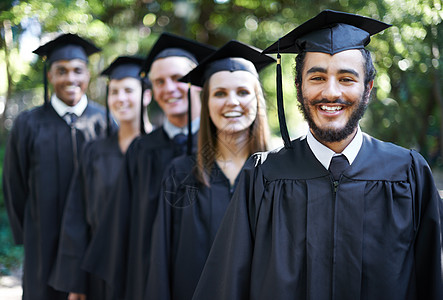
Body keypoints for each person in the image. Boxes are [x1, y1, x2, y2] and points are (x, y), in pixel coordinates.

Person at [193, 10, 443, 300]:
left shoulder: (407, 174)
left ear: (368, 89)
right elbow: (226, 286)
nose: (331, 92)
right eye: (318, 77)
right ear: (299, 87)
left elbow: (431, 282)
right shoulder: (263, 177)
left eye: (347, 78)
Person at [81, 32, 216, 300]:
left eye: (178, 79)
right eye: (159, 82)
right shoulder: (141, 151)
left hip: (209, 282)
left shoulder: (222, 149)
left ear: (198, 83)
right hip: (145, 283)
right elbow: (119, 226)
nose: (168, 88)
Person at [145, 40, 274, 300]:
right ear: (206, 103)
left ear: (257, 100)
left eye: (243, 92)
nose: (232, 102)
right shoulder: (181, 174)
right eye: (220, 93)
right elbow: (161, 259)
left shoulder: (279, 175)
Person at [2, 33, 110, 300]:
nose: (70, 79)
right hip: (43, 241)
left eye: (77, 71)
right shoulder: (28, 123)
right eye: (61, 71)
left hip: (93, 245)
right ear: (49, 76)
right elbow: (14, 185)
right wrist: (31, 232)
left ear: (88, 75)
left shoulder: (105, 122)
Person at [47, 56, 152, 300]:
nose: (120, 98)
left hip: (147, 268)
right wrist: (76, 282)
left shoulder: (163, 151)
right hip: (98, 269)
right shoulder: (95, 152)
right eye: (114, 92)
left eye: (128, 90)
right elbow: (77, 218)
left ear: (146, 95)